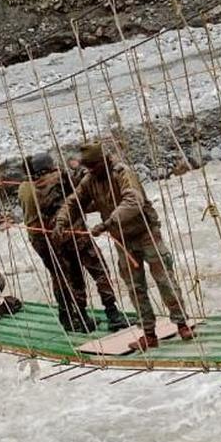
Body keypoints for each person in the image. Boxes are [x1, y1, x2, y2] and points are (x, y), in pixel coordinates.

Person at [53, 141, 194, 351]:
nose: (90, 171)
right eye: (88, 167)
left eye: (93, 166)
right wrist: (62, 220)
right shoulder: (90, 180)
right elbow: (74, 202)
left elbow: (133, 201)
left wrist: (108, 223)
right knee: (135, 288)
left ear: (103, 161)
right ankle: (148, 334)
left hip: (145, 233)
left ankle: (182, 324)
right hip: (123, 241)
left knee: (165, 280)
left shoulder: (122, 173)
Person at [18, 152, 128, 334]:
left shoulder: (24, 187)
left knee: (68, 277)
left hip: (48, 240)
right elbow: (82, 183)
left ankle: (79, 318)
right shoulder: (59, 178)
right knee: (98, 270)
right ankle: (113, 314)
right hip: (74, 233)